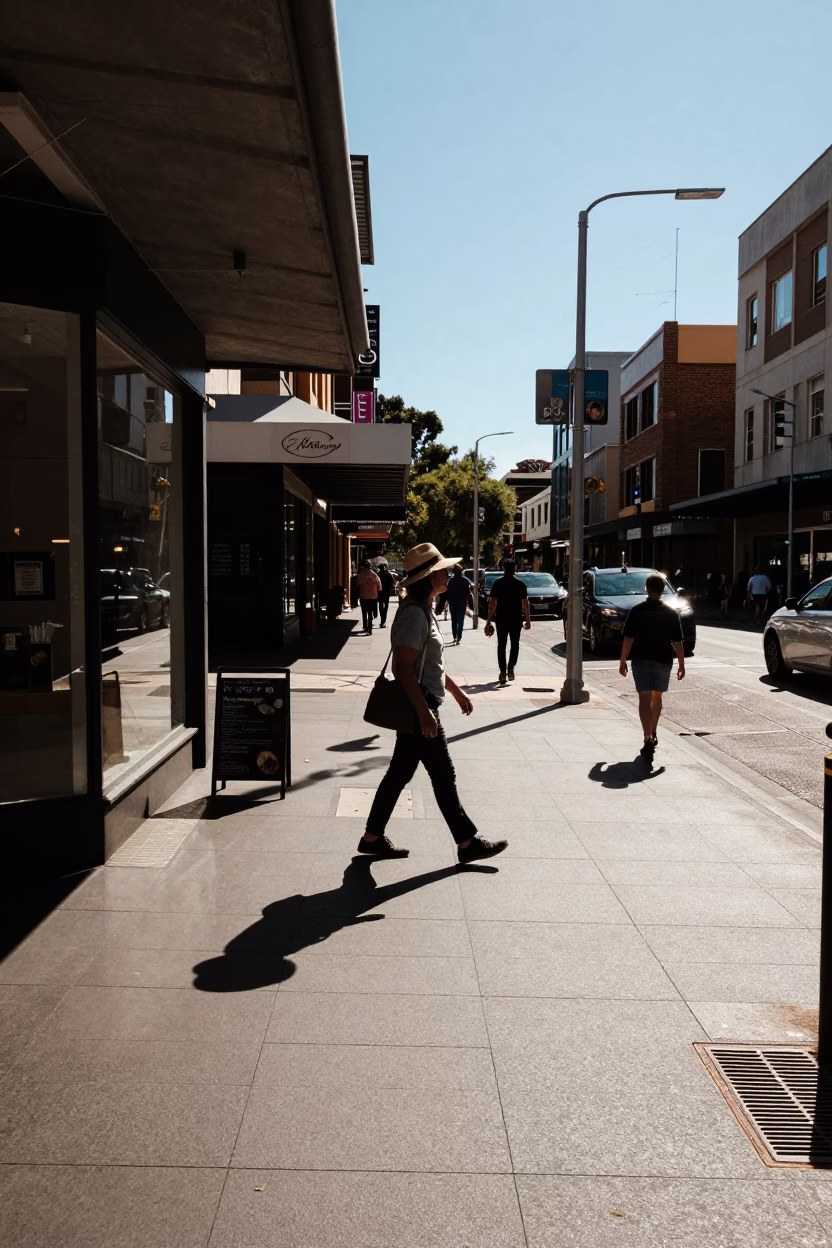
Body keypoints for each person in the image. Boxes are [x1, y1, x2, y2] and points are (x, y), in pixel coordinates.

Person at [359, 542, 507, 864]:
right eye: (441, 570)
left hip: (423, 704)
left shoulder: (425, 609)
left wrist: (455, 691)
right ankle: (467, 843)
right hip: (419, 708)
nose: (446, 573)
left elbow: (429, 665)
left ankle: (372, 837)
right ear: (429, 577)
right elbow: (402, 668)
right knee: (443, 775)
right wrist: (426, 713)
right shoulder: (414, 614)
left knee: (400, 773)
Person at [619, 572, 685, 762]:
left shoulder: (637, 610)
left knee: (644, 698)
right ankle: (653, 731)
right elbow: (678, 641)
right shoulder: (671, 612)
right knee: (657, 696)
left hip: (640, 659)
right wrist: (681, 664)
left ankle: (647, 735)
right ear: (663, 590)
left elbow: (628, 639)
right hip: (663, 660)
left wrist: (622, 660)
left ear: (646, 589)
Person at [483, 559, 531, 685]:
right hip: (516, 619)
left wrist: (488, 621)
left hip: (501, 619)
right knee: (515, 644)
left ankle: (502, 672)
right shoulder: (520, 584)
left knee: (501, 644)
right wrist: (528, 619)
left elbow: (492, 604)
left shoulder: (497, 583)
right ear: (515, 569)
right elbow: (525, 604)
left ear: (503, 568)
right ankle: (511, 669)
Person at [445, 564, 474, 645]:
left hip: (453, 603)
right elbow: (469, 593)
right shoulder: (465, 580)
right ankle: (459, 636)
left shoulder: (451, 581)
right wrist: (471, 605)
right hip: (462, 603)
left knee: (454, 620)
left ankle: (455, 636)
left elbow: (447, 592)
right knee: (460, 621)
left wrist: (447, 601)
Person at [356, 561, 381, 634]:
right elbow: (379, 587)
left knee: (364, 612)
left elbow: (358, 584)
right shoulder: (374, 575)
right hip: (373, 596)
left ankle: (365, 626)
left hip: (363, 596)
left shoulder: (361, 575)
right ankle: (370, 628)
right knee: (370, 612)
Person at [377, 562, 395, 629]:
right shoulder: (388, 574)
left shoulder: (378, 574)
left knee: (380, 605)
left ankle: (382, 618)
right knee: (386, 605)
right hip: (386, 592)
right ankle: (383, 620)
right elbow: (393, 583)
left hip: (379, 592)